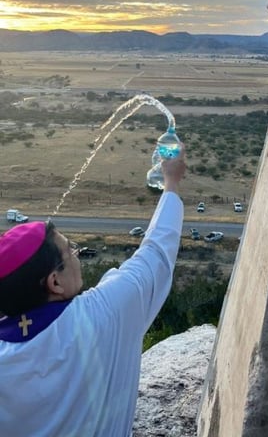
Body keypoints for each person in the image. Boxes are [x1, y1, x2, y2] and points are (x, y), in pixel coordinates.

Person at [0, 149, 187, 435]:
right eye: (70, 251)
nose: (77, 256)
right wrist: (171, 183)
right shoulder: (101, 314)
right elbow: (156, 253)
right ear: (55, 282)